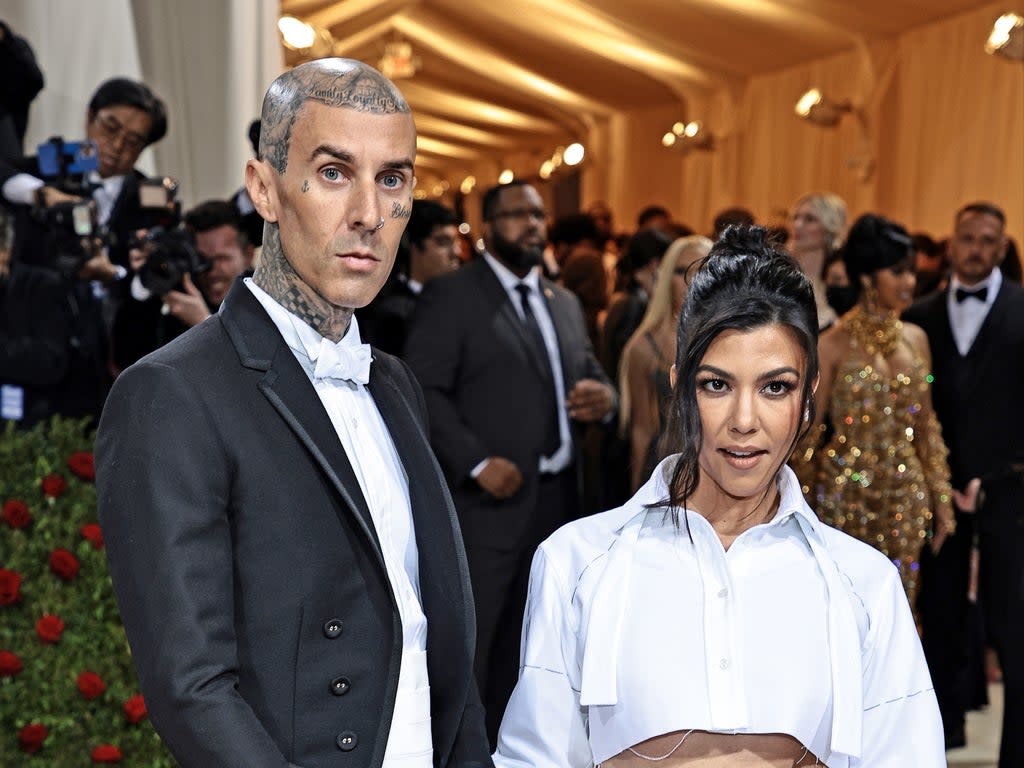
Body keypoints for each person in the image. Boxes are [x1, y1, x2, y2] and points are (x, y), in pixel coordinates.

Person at [97, 58, 492, 768]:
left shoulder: (394, 384)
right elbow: (193, 689)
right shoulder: (173, 394)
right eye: (335, 173)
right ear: (264, 190)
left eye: (392, 178)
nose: (369, 214)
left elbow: (435, 638)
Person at [494, 226, 944, 768]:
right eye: (717, 385)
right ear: (681, 385)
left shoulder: (865, 585)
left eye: (775, 387)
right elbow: (534, 757)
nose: (745, 422)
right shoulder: (577, 561)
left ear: (808, 399)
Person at [403, 180, 616, 746]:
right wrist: (474, 462)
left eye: (539, 214)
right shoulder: (452, 294)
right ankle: (462, 752)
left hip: (563, 504)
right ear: (490, 227)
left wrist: (605, 398)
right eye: (517, 215)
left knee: (547, 647)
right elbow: (422, 386)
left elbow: (591, 373)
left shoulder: (564, 301)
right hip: (488, 505)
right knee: (479, 644)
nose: (533, 224)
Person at [904, 202, 1024, 765]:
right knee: (941, 620)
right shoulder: (920, 315)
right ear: (952, 244)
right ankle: (936, 744)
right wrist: (939, 479)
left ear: (1002, 248)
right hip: (937, 496)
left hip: (1011, 494)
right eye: (968, 238)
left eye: (988, 240)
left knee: (1012, 624)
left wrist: (999, 472)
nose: (976, 248)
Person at [792, 214, 962, 607]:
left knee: (901, 609)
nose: (909, 283)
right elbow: (807, 437)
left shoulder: (917, 339)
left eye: (911, 273)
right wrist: (800, 514)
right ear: (867, 277)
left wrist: (941, 501)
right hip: (843, 497)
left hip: (906, 498)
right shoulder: (831, 345)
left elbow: (927, 428)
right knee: (846, 608)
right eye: (898, 273)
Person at [111, 199, 255, 371]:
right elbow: (126, 363)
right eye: (201, 259)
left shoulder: (266, 301)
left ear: (248, 254)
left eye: (221, 258)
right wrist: (146, 279)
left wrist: (203, 323)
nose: (210, 270)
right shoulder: (179, 294)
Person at [619, 234, 711, 491]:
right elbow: (641, 430)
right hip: (666, 471)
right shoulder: (643, 347)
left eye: (703, 268)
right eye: (682, 270)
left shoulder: (734, 340)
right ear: (665, 276)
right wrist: (635, 494)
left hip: (723, 467)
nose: (692, 279)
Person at [359, 198, 460, 355]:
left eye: (455, 242)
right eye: (443, 242)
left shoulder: (457, 298)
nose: (456, 253)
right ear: (412, 246)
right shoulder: (390, 314)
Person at [789, 193, 847, 331]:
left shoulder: (840, 282)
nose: (797, 225)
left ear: (829, 227)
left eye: (809, 219)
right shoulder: (780, 274)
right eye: (795, 217)